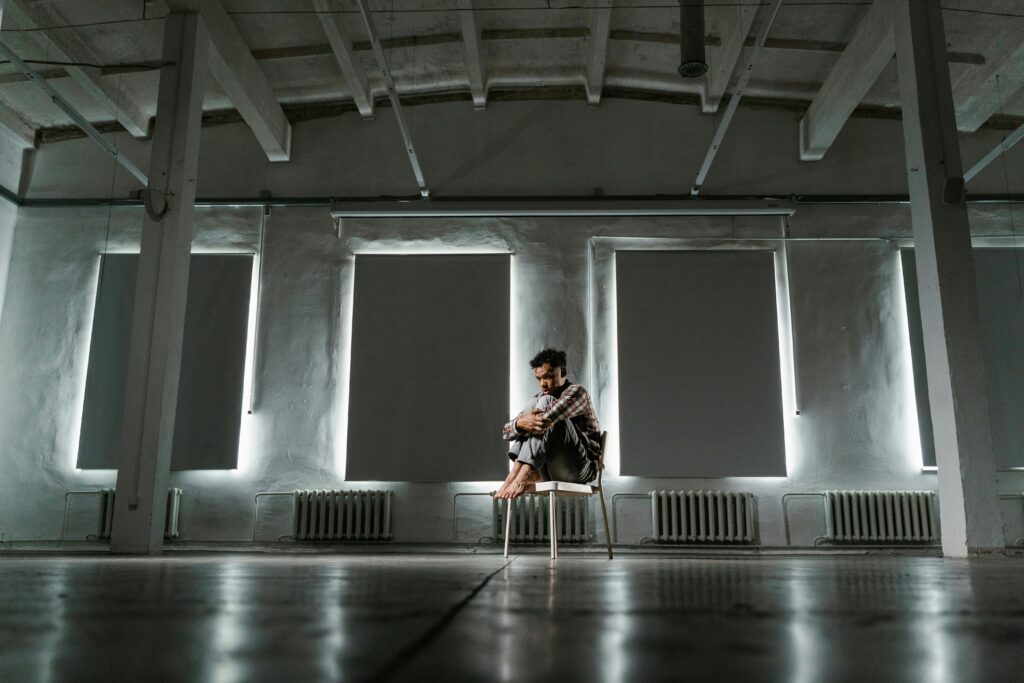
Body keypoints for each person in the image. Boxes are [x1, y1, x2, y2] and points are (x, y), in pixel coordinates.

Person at [495, 348, 602, 499]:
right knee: (533, 402)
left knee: (544, 402)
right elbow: (506, 433)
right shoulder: (538, 398)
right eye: (538, 379)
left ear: (563, 372)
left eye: (548, 377)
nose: (543, 384)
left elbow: (546, 417)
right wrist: (520, 423)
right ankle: (515, 474)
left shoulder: (577, 392)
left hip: (580, 469)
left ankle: (522, 474)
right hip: (546, 467)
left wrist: (525, 423)